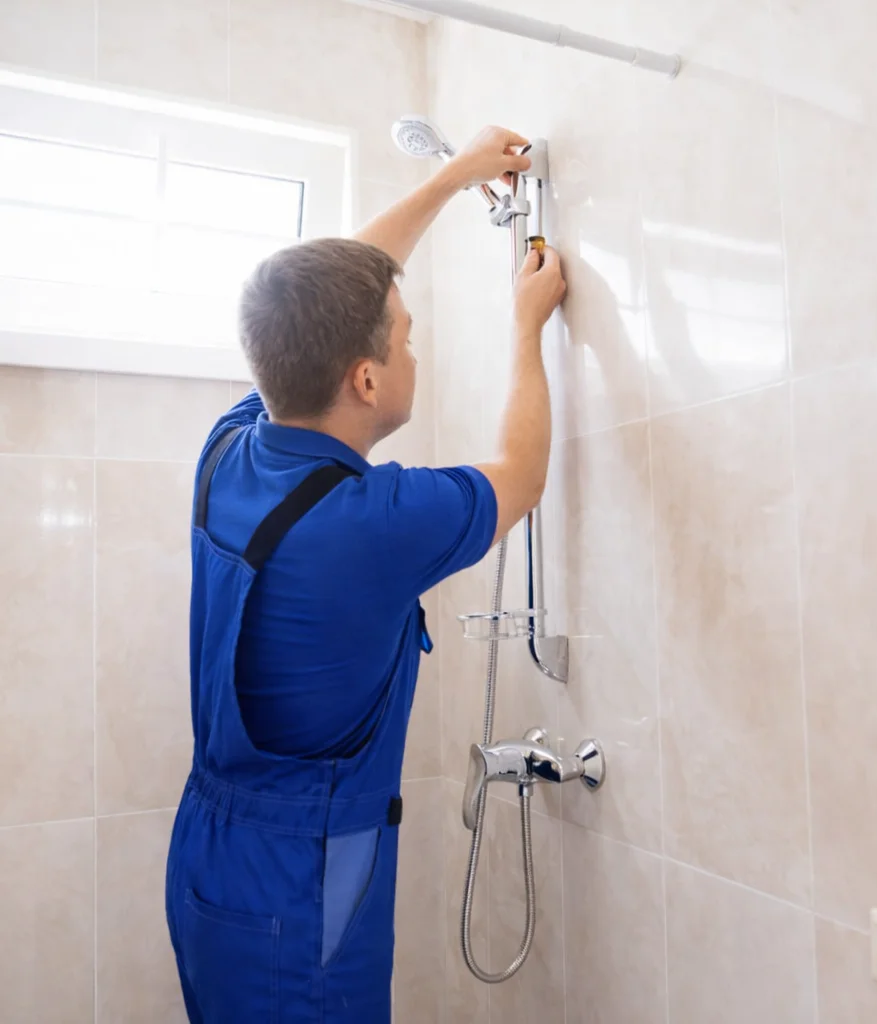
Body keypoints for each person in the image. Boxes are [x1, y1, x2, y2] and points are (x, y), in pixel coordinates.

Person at [164, 125, 566, 1024]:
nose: (416, 354)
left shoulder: (229, 450)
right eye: (408, 340)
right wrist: (528, 327)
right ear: (368, 379)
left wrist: (457, 176)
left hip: (209, 858)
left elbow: (330, 295)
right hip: (303, 887)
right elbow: (523, 474)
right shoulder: (375, 523)